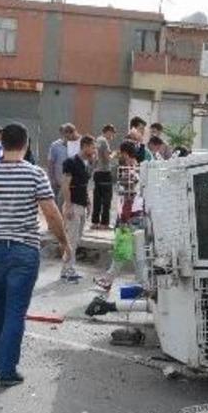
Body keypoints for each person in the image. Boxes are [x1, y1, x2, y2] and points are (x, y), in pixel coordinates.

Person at [0, 124, 71, 387]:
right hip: (24, 250)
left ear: (2, 143)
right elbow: (51, 212)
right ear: (26, 145)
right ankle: (7, 370)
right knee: (16, 309)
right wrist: (64, 242)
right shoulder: (35, 174)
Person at [95, 140, 143, 292]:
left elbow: (129, 197)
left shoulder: (129, 171)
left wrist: (123, 220)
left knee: (129, 252)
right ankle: (108, 280)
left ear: (124, 153)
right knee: (128, 253)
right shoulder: (139, 168)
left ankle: (144, 285)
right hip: (137, 216)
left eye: (121, 153)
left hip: (130, 218)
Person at [60, 135, 97, 282]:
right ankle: (66, 270)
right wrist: (68, 205)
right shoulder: (70, 162)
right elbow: (65, 185)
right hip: (73, 205)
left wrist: (88, 201)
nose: (94, 150)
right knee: (71, 239)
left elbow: (84, 185)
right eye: (93, 147)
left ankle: (69, 268)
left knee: (76, 239)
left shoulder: (85, 164)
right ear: (85, 146)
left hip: (81, 204)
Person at [92, 124, 116, 230]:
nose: (113, 136)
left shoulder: (97, 140)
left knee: (97, 198)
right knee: (106, 199)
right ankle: (104, 223)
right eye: (112, 133)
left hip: (97, 172)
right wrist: (114, 154)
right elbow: (107, 158)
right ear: (108, 131)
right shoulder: (104, 141)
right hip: (105, 172)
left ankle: (95, 222)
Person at [48, 123, 78, 208]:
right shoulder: (55, 146)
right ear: (63, 134)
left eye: (71, 132)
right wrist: (52, 178)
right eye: (67, 132)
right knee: (58, 206)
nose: (69, 135)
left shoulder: (76, 146)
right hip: (58, 181)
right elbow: (51, 163)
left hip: (72, 182)